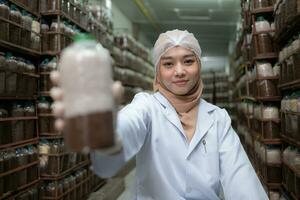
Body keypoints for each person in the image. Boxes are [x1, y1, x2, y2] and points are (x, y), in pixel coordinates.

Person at [51, 29, 268, 200]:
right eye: (168, 63)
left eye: (188, 61)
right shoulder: (146, 106)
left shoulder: (218, 118)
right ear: (158, 70)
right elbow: (121, 139)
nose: (179, 71)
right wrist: (109, 136)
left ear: (199, 65)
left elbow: (241, 181)